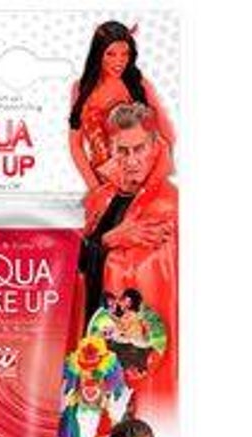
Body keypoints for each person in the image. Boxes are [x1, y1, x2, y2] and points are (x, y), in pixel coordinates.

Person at [78, 101, 178, 417]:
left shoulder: (167, 204)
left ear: (155, 146)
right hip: (92, 340)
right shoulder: (100, 199)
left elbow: (152, 284)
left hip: (138, 349)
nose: (131, 160)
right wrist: (110, 239)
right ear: (111, 149)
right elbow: (72, 264)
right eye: (123, 151)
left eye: (139, 149)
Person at [69, 21, 174, 190]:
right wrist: (95, 188)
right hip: (103, 178)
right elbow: (76, 145)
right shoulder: (81, 89)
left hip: (142, 174)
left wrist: (157, 176)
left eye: (125, 54)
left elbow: (165, 132)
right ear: (98, 54)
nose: (119, 61)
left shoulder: (138, 84)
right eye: (110, 54)